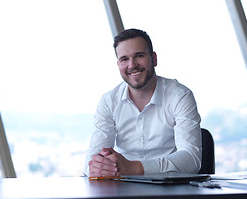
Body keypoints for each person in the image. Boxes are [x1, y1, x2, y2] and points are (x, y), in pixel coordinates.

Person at [86, 28, 202, 176]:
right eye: (124, 59)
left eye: (139, 56)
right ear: (118, 65)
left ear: (154, 58)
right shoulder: (109, 101)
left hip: (170, 187)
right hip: (123, 188)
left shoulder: (180, 96)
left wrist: (134, 168)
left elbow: (191, 159)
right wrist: (97, 167)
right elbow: (92, 159)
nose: (132, 65)